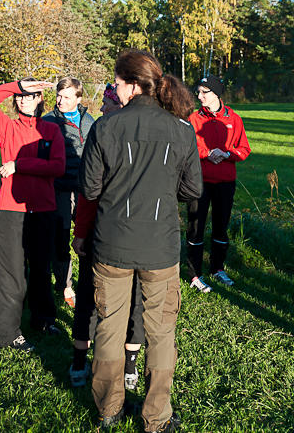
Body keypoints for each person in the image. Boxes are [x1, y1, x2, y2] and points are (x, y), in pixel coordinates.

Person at [79, 49, 201, 432]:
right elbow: (192, 189)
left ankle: (109, 409)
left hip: (113, 243)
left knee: (110, 326)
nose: (114, 88)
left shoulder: (105, 126)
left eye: (117, 81)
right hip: (159, 246)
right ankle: (156, 417)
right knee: (161, 331)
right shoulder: (181, 129)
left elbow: (89, 187)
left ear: (132, 85)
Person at [0, 78, 65, 351]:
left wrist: (19, 164)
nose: (24, 100)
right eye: (20, 96)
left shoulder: (52, 130)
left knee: (41, 267)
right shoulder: (6, 128)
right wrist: (16, 85)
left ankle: (43, 320)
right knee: (10, 271)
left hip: (43, 208)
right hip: (11, 210)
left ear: (40, 99)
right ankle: (8, 333)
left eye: (31, 96)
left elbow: (58, 167)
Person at [68, 85, 146, 392]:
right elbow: (88, 190)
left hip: (127, 232)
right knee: (89, 294)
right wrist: (82, 232)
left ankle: (128, 363)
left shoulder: (125, 132)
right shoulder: (103, 130)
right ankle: (79, 358)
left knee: (132, 299)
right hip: (112, 231)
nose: (101, 109)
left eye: (106, 103)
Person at [185, 75, 251, 292]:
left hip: (225, 182)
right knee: (196, 227)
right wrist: (207, 153)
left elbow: (244, 149)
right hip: (199, 182)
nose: (199, 96)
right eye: (198, 91)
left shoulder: (234, 119)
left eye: (204, 92)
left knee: (220, 227)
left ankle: (217, 268)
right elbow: (187, 148)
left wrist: (227, 154)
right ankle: (194, 273)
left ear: (216, 94)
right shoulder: (193, 119)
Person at [42, 77, 95, 308]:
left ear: (78, 98)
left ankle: (88, 281)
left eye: (66, 97)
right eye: (59, 96)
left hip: (85, 189)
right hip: (60, 189)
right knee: (61, 238)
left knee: (87, 236)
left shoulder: (90, 121)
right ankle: (65, 285)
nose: (60, 101)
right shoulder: (49, 121)